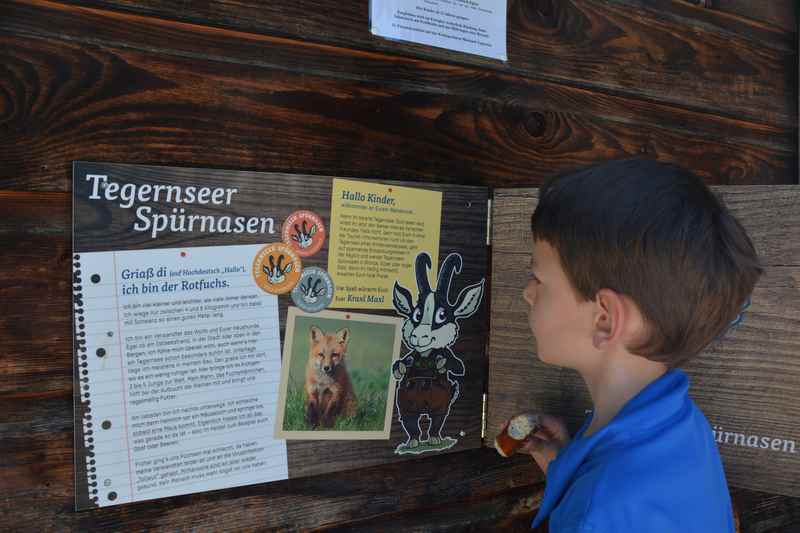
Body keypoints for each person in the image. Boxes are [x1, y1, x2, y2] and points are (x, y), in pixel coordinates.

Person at [513, 159, 762, 532]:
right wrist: (564, 462)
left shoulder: (598, 516)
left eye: (538, 278)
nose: (527, 293)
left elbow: (609, 509)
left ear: (606, 319)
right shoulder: (680, 425)